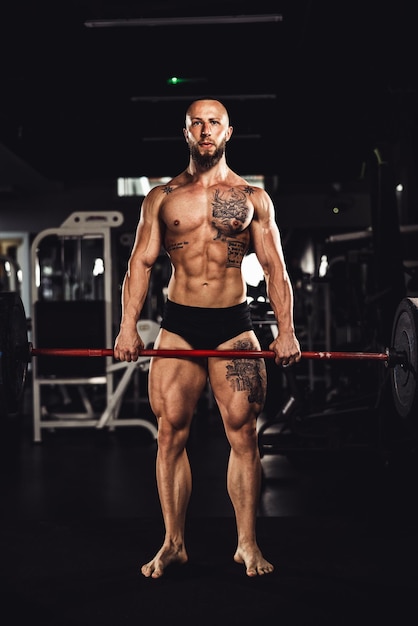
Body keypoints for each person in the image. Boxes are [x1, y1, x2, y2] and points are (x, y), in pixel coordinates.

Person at [114, 99, 301, 578]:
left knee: (244, 435)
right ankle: (173, 542)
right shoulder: (161, 198)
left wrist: (287, 331)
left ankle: (247, 544)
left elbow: (276, 268)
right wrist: (127, 327)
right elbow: (140, 264)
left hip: (234, 327)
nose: (205, 130)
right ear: (185, 132)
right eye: (196, 122)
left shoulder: (253, 198)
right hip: (178, 326)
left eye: (213, 122)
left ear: (228, 132)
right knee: (170, 433)